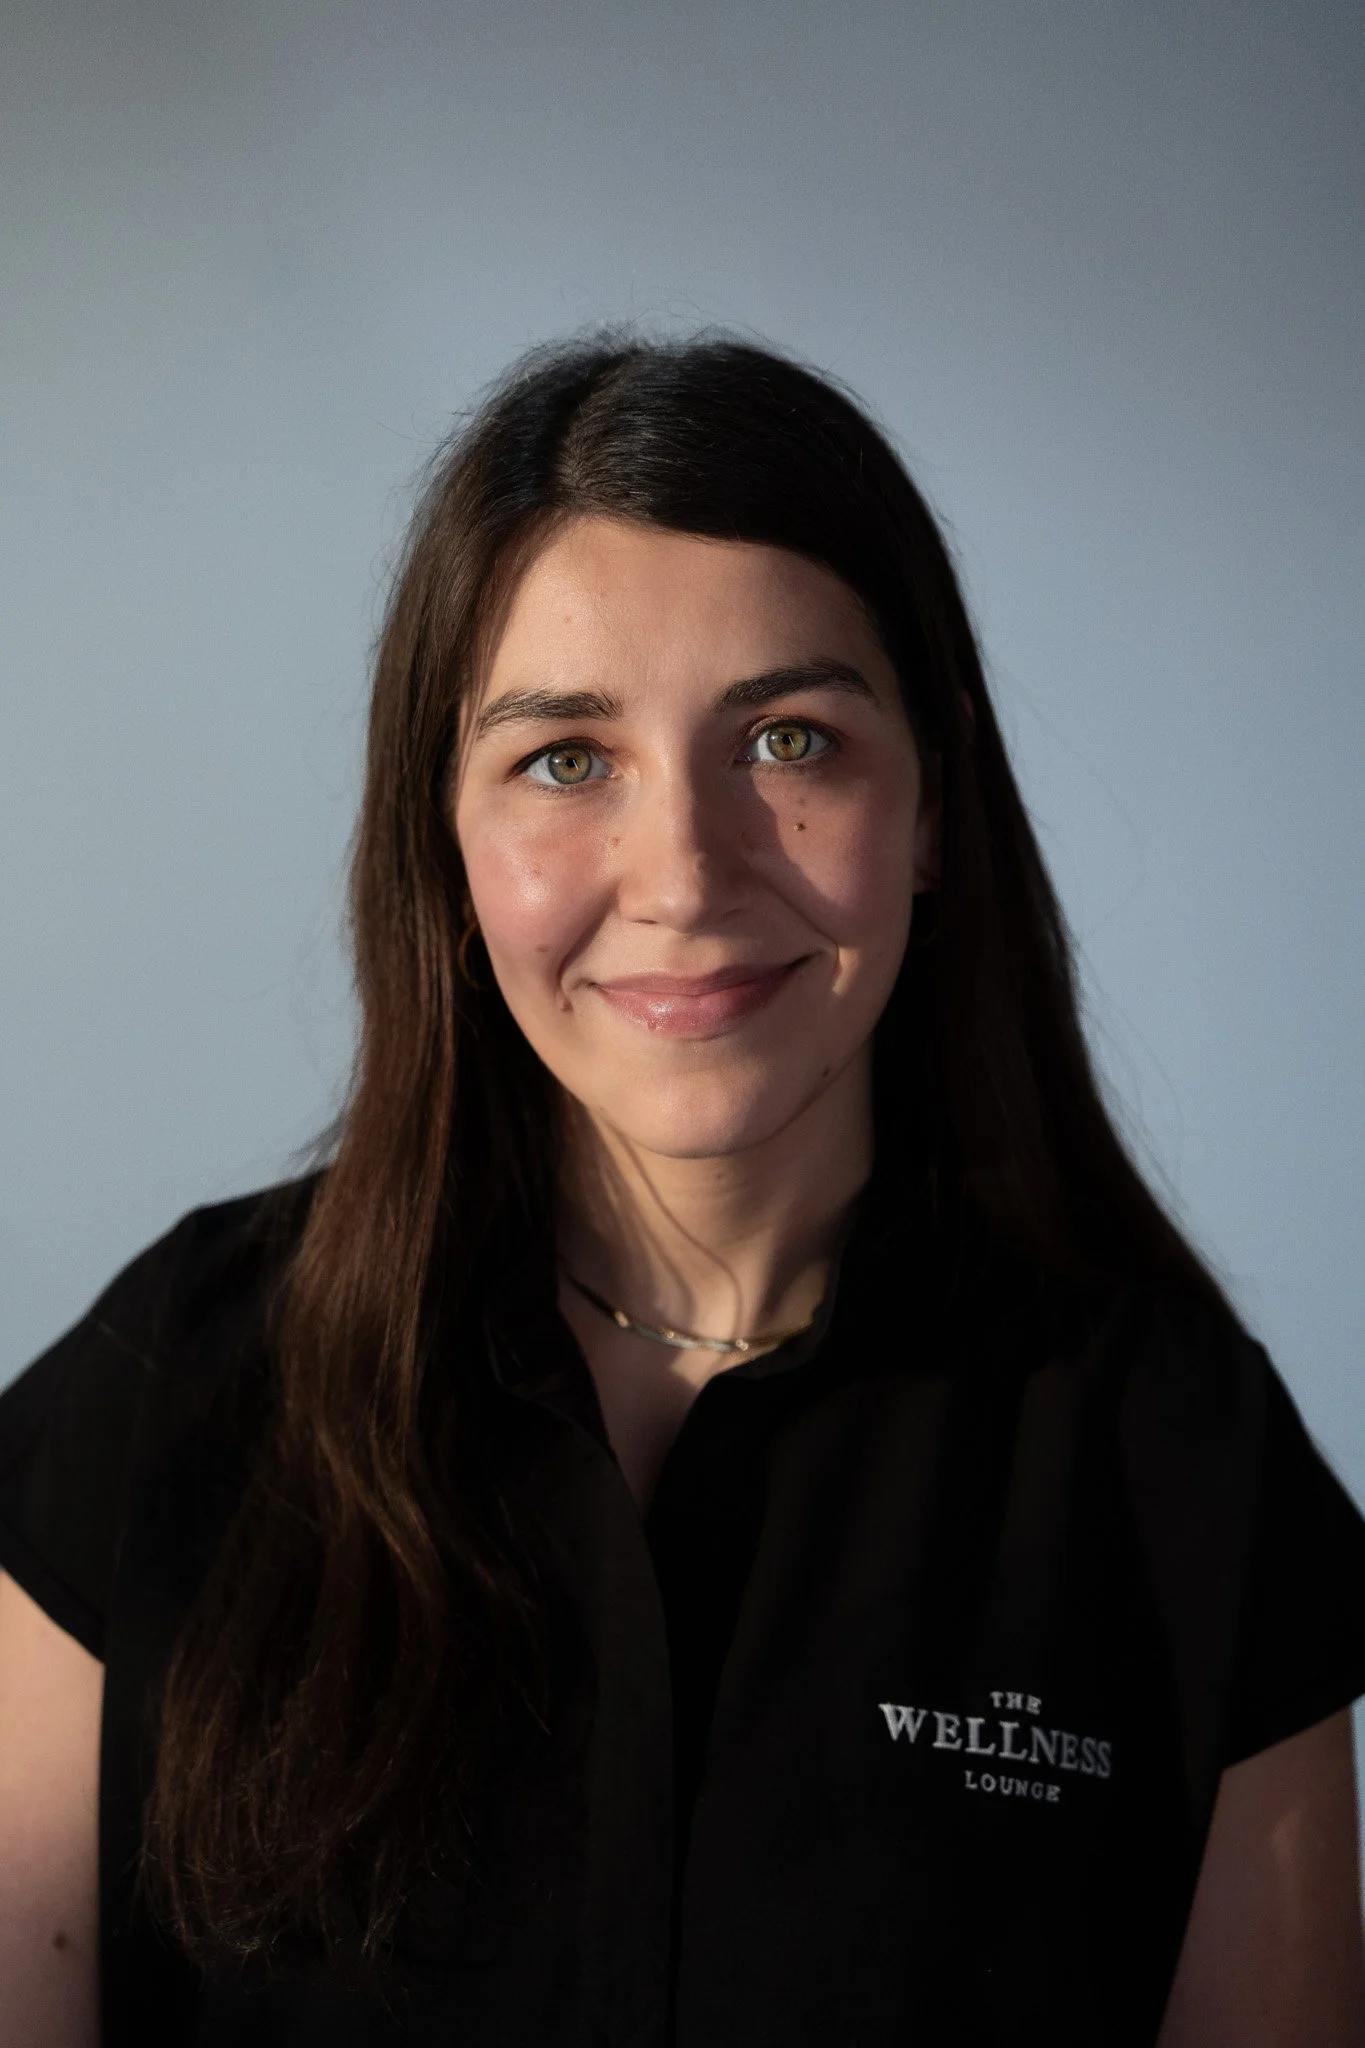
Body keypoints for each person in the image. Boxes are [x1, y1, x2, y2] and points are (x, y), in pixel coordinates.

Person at [2, 333, 1364, 2048]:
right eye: (566, 757)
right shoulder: (165, 1395)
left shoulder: (1182, 1464)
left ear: (930, 804)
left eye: (790, 740)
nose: (686, 877)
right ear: (445, 830)